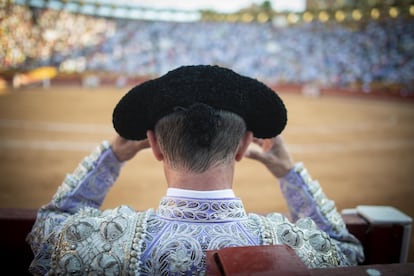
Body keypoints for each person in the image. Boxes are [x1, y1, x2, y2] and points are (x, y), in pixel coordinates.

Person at [26, 65, 364, 275]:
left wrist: (111, 157)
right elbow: (345, 251)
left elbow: (47, 229)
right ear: (245, 145)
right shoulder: (294, 248)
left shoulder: (96, 243)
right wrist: (289, 174)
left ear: (154, 145)